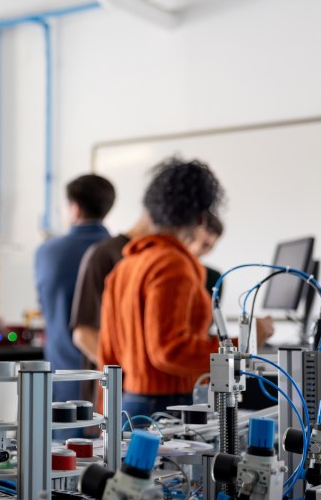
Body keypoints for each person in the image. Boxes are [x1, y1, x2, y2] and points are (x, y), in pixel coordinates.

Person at [98, 158, 273, 417]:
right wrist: (246, 342)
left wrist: (107, 416)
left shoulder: (126, 266)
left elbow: (108, 354)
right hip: (166, 407)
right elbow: (170, 351)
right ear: (201, 218)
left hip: (130, 404)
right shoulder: (174, 263)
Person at [71, 210, 223, 364]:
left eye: (207, 246)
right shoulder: (111, 256)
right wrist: (123, 375)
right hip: (122, 380)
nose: (197, 248)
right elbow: (85, 334)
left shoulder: (194, 272)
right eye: (194, 239)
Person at [34, 174, 115, 406]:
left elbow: (43, 305)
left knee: (59, 440)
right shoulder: (121, 252)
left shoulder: (46, 252)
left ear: (75, 208)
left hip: (62, 375)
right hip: (109, 375)